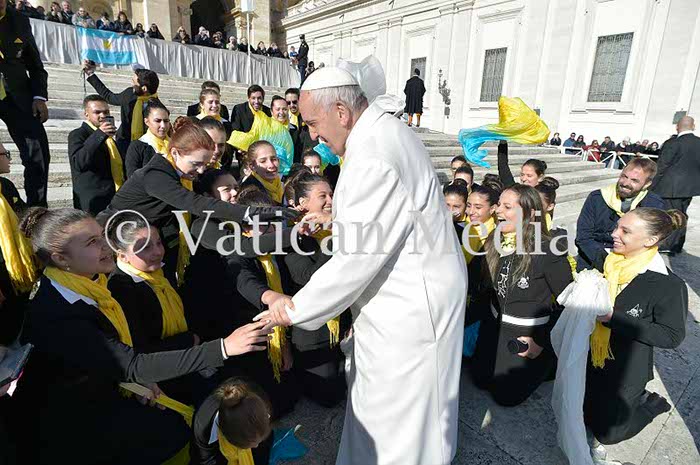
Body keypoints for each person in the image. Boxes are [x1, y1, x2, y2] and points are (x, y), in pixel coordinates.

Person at [257, 67, 467, 465]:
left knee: (399, 412)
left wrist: (294, 310)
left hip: (411, 305)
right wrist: (335, 221)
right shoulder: (383, 132)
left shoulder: (371, 156)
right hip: (416, 286)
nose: (313, 136)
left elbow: (356, 259)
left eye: (313, 123)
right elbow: (390, 217)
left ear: (341, 112)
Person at [12, 207, 274, 465]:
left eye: (102, 236)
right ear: (61, 259)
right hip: (69, 422)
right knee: (179, 429)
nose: (105, 246)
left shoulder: (90, 285)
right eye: (92, 242)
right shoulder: (60, 312)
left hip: (106, 390)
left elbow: (115, 358)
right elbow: (131, 364)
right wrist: (224, 347)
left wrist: (138, 383)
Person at [104, 118, 296, 285]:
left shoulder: (182, 174)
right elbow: (198, 204)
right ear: (175, 153)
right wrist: (253, 213)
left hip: (153, 239)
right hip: (119, 241)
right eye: (196, 164)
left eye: (204, 164)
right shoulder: (156, 175)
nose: (201, 170)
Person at [584, 208, 687, 465]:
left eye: (625, 231)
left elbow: (672, 336)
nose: (613, 234)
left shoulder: (668, 285)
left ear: (650, 240)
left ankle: (651, 405)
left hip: (625, 368)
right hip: (592, 355)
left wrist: (614, 319)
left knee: (607, 434)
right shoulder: (608, 260)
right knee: (582, 413)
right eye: (617, 226)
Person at [470, 184, 573, 406]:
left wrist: (542, 342)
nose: (498, 210)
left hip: (526, 335)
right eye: (499, 205)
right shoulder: (494, 239)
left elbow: (570, 304)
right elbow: (479, 286)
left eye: (507, 207)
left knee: (505, 398)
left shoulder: (548, 250)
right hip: (493, 327)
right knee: (479, 380)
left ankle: (549, 363)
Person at [283, 172, 348, 407]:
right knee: (331, 396)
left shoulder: (339, 226)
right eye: (323, 196)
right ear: (302, 203)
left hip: (342, 323)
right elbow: (307, 277)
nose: (330, 200)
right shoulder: (293, 235)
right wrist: (333, 237)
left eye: (331, 194)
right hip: (313, 333)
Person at [0, 0, 51, 207]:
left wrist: (39, 97)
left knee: (38, 152)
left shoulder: (19, 20)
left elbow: (35, 64)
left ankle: (36, 212)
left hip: (17, 96)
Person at [576, 158, 667, 272]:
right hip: (594, 256)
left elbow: (650, 242)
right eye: (624, 176)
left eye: (634, 180)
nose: (625, 183)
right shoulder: (597, 198)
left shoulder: (653, 205)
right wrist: (607, 264)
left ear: (646, 184)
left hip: (631, 261)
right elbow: (583, 237)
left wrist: (623, 265)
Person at [0, 142, 36, 348]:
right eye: (5, 154)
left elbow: (24, 215)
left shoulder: (6, 186)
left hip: (18, 267)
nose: (9, 159)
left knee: (16, 321)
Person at [83, 59, 160, 153]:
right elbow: (109, 96)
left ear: (144, 88)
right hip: (124, 143)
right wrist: (90, 74)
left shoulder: (158, 108)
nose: (132, 85)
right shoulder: (129, 94)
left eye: (134, 83)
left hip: (147, 147)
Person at [191, 378, 273, 465]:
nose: (256, 446)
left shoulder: (257, 398)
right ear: (228, 441)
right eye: (253, 443)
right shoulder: (201, 429)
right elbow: (205, 460)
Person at [650, 116, 700, 255]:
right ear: (693, 126)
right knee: (682, 214)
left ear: (677, 127)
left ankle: (668, 245)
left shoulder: (674, 143)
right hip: (689, 189)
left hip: (670, 188)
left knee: (671, 216)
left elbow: (662, 166)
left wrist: (651, 185)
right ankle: (678, 244)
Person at [68, 95, 124, 216]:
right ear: (86, 114)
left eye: (106, 112)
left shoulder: (109, 138)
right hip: (93, 203)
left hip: (114, 197)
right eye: (97, 112)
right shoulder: (78, 134)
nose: (102, 116)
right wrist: (99, 134)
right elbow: (79, 163)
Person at [125, 99, 170, 177]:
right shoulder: (137, 147)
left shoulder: (176, 144)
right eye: (157, 121)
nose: (163, 126)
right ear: (147, 122)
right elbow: (132, 177)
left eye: (166, 121)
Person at [270, 95, 304, 163]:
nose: (281, 112)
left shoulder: (293, 129)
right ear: (271, 111)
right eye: (278, 109)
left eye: (284, 109)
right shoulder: (266, 127)